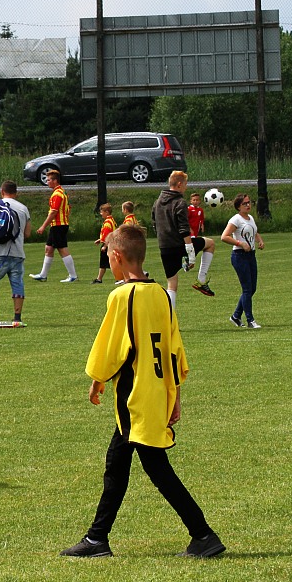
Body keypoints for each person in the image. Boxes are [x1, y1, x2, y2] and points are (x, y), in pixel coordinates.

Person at [60, 224, 225, 559]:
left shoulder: (122, 296)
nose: (107, 257)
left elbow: (111, 347)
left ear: (117, 256)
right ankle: (97, 538)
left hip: (134, 394)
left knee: (154, 467)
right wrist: (175, 393)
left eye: (107, 253)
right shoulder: (161, 294)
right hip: (155, 392)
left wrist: (97, 379)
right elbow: (173, 347)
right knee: (118, 463)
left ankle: (203, 535)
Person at [151, 171, 217, 307]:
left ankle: (171, 322)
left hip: (164, 247)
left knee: (172, 284)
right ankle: (201, 279)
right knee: (210, 243)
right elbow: (183, 229)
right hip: (179, 244)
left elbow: (154, 224)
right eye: (186, 184)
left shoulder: (157, 202)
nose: (186, 187)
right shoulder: (179, 202)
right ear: (179, 184)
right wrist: (190, 251)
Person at [0, 180, 31, 327]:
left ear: (2, 191)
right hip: (17, 253)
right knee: (17, 284)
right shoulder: (24, 208)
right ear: (16, 193)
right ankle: (17, 317)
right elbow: (27, 233)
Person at [220, 193, 265, 329]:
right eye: (245, 203)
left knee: (252, 288)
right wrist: (240, 243)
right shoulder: (236, 220)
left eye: (249, 202)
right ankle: (250, 320)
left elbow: (254, 232)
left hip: (251, 255)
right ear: (238, 206)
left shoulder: (250, 218)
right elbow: (224, 236)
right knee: (247, 289)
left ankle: (236, 316)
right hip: (239, 256)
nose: (248, 205)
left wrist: (260, 241)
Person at [29, 170, 78, 283]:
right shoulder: (62, 192)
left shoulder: (57, 194)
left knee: (62, 249)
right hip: (59, 225)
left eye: (49, 180)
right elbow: (68, 207)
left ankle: (73, 275)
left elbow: (53, 212)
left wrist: (43, 226)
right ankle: (43, 275)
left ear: (55, 181)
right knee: (49, 248)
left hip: (58, 225)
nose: (47, 182)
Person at [92, 203, 117, 284]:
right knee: (105, 263)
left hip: (108, 245)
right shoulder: (111, 220)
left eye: (102, 212)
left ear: (106, 212)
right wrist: (100, 240)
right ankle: (99, 278)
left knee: (108, 262)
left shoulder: (107, 222)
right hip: (111, 244)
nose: (101, 214)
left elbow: (108, 235)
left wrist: (105, 246)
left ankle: (118, 278)